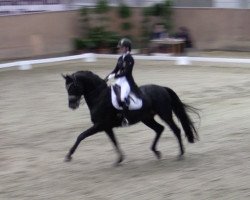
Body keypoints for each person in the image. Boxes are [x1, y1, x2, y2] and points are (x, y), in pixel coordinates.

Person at [105, 38, 141, 127]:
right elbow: (116, 69)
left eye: (122, 47)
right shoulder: (120, 58)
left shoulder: (130, 58)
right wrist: (107, 78)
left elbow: (126, 72)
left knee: (122, 97)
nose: (120, 49)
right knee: (111, 94)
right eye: (120, 47)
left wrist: (115, 76)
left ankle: (126, 118)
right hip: (119, 81)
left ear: (127, 48)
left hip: (127, 82)